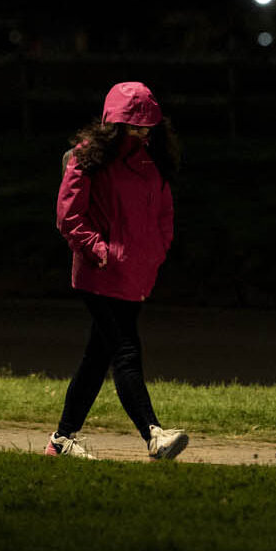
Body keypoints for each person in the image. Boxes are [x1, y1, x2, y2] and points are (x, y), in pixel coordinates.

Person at [46, 81, 189, 461]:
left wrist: (155, 253)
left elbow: (164, 215)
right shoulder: (87, 158)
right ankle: (153, 434)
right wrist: (98, 250)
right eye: (134, 126)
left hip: (134, 276)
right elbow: (68, 215)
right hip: (98, 273)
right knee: (126, 351)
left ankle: (61, 440)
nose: (143, 133)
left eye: (147, 127)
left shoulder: (151, 163)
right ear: (115, 124)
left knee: (98, 358)